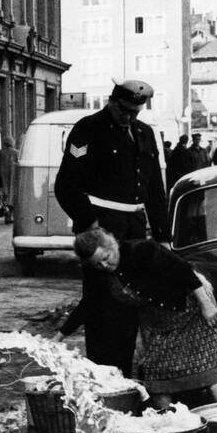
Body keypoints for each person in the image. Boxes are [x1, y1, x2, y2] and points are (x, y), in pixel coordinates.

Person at [53, 79, 169, 375]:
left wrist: (162, 236)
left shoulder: (144, 133)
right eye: (126, 110)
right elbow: (67, 185)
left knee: (129, 303)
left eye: (136, 112)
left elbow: (155, 188)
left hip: (134, 229)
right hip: (102, 230)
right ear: (112, 102)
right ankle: (103, 376)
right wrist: (89, 225)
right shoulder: (88, 129)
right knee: (101, 304)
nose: (130, 117)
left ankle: (124, 376)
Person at [73, 227, 217, 409]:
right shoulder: (99, 272)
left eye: (106, 258)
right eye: (98, 264)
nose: (104, 266)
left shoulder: (143, 250)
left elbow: (183, 269)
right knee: (158, 381)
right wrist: (60, 335)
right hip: (157, 321)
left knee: (207, 373)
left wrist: (206, 304)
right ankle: (168, 429)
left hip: (190, 308)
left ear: (112, 245)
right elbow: (89, 302)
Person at [0, 134, 19, 223]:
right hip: (13, 179)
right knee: (12, 197)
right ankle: (10, 215)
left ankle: (7, 215)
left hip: (1, 179)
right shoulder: (17, 153)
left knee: (4, 196)